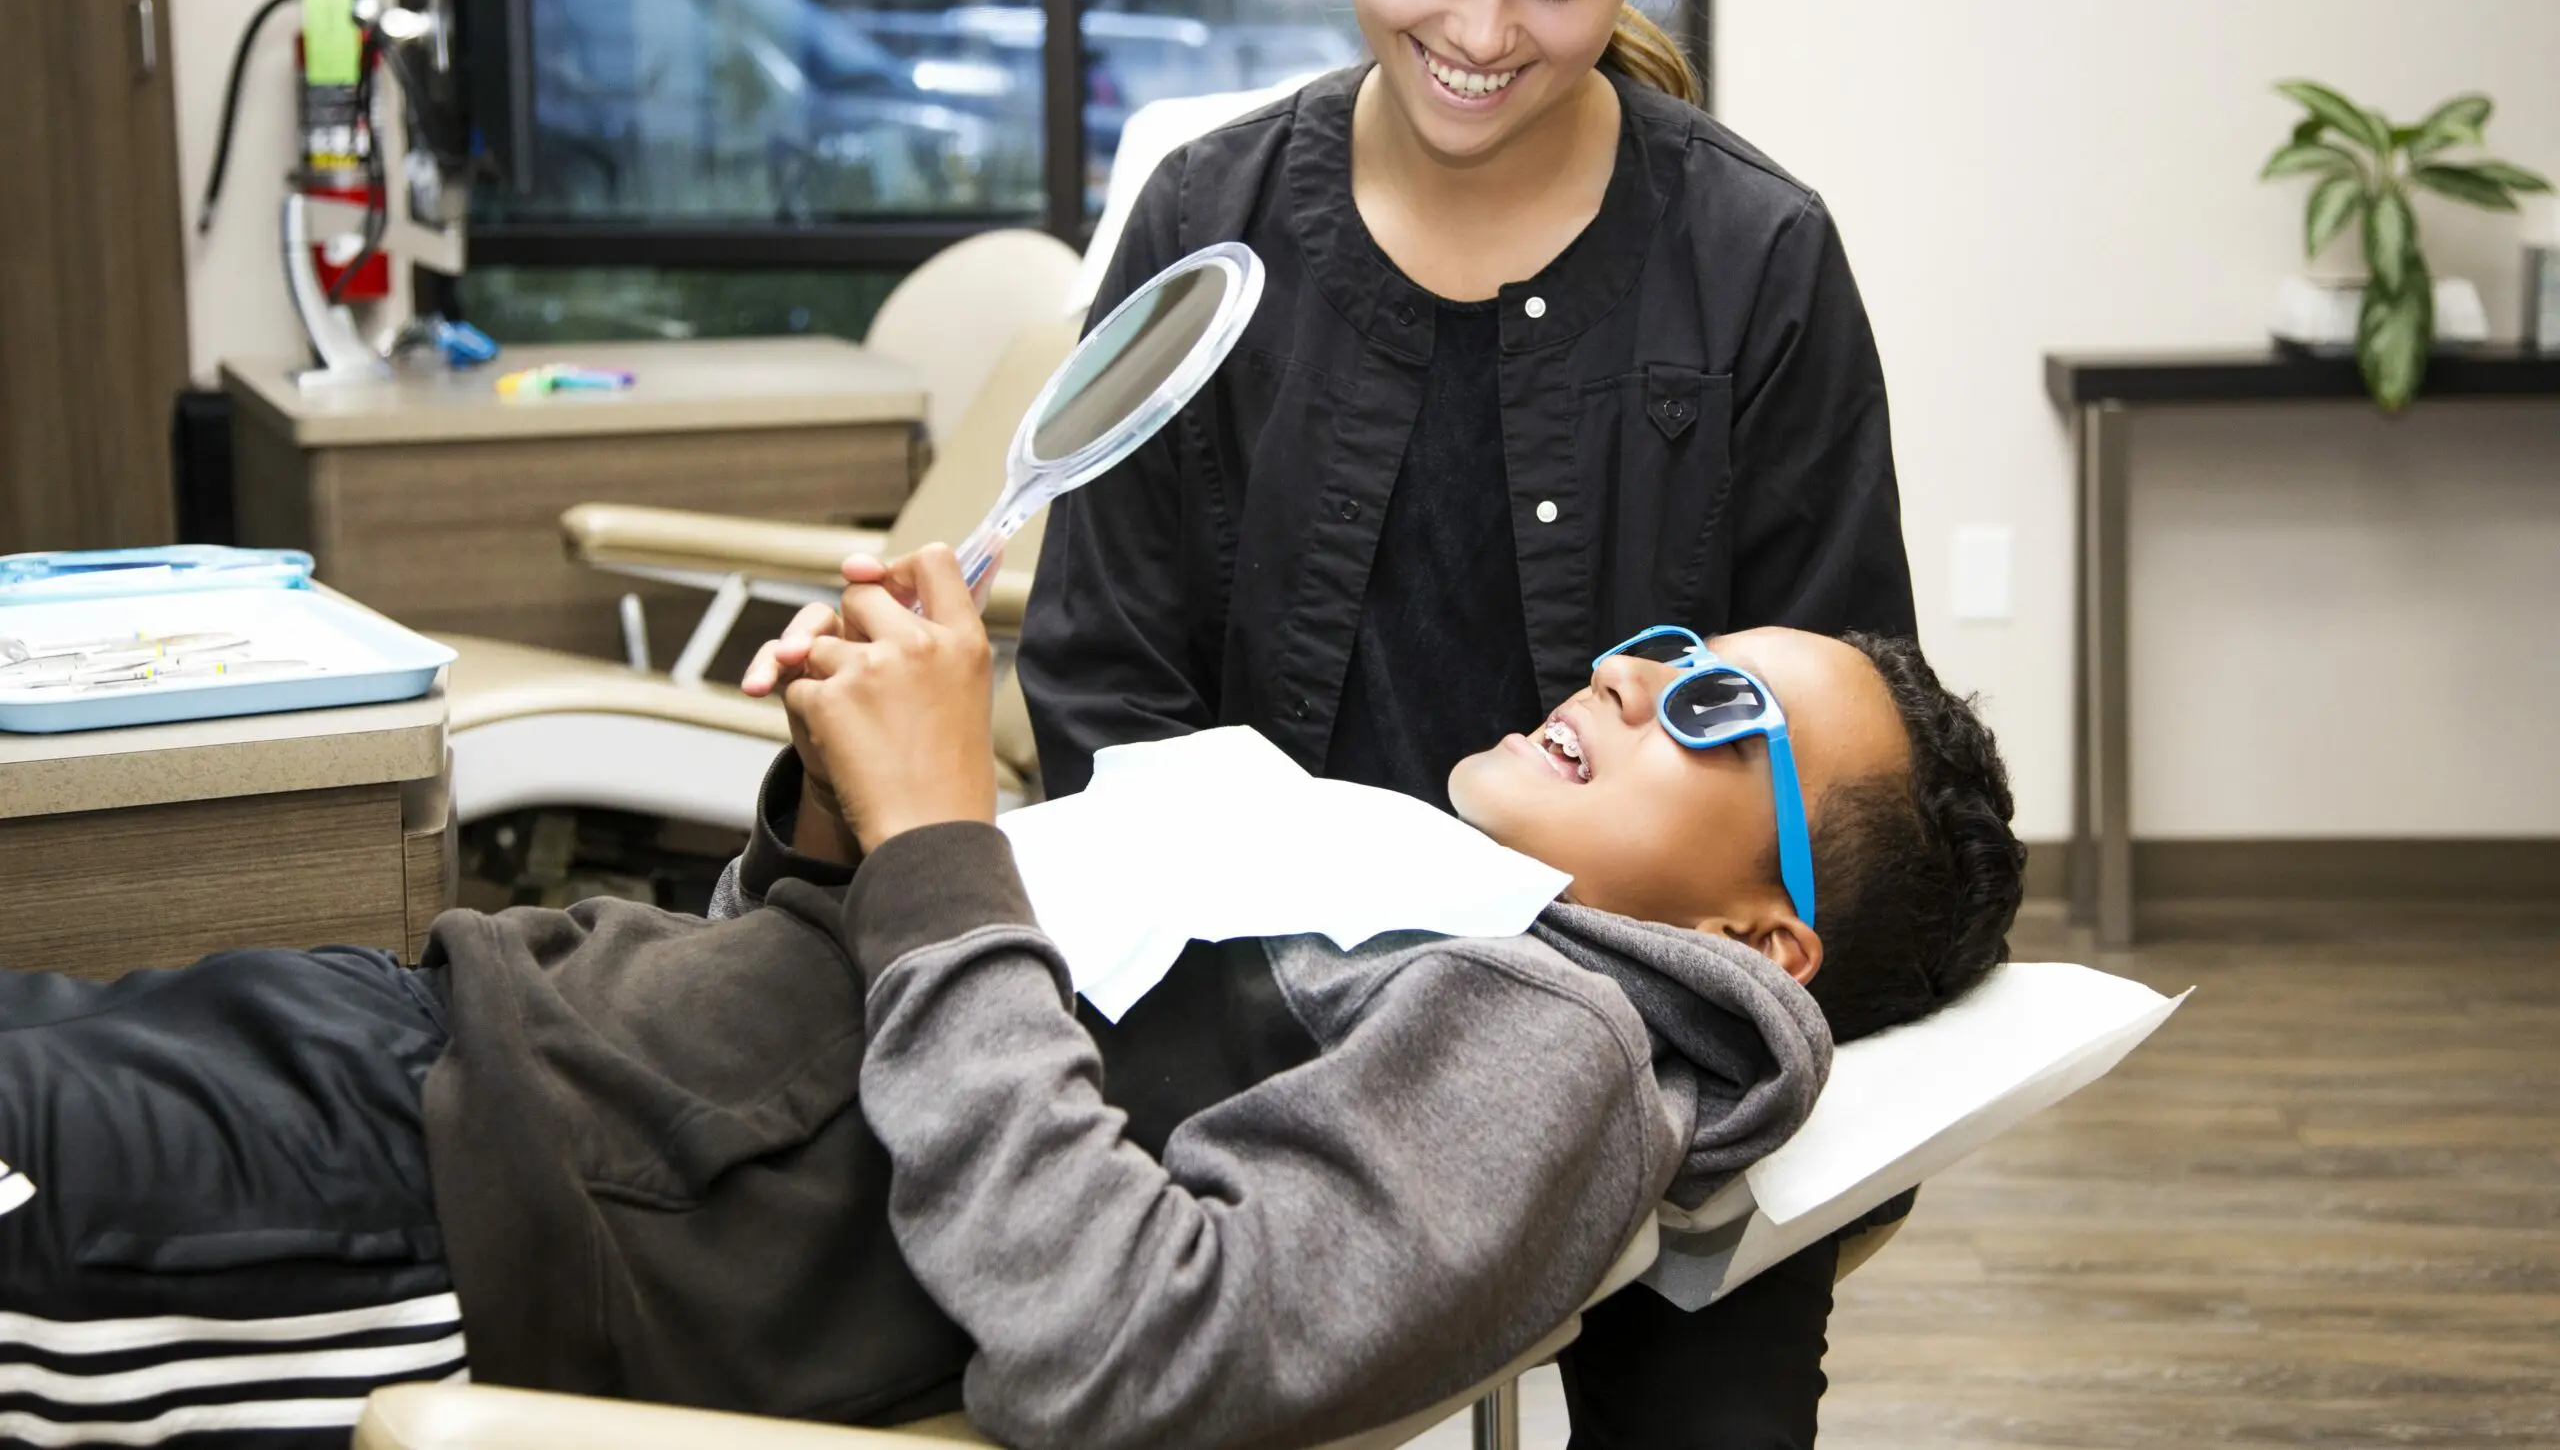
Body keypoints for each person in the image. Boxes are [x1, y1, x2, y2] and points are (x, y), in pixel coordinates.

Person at [0, 547, 2021, 1450]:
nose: (1618, 676)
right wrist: (835, 811)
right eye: (1661, 642)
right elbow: (853, 1018)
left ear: (1765, 941)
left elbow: (1128, 1348)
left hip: (439, 1212)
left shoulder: (1561, 1046)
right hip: (454, 1046)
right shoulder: (1405, 877)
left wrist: (936, 834)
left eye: (1711, 709)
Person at [1018, 0, 1916, 1442]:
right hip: (1256, 1016)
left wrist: (1597, 1053)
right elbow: (1099, 686)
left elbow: (1842, 733)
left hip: (1634, 1056)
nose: (1485, 31)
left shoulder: (1754, 261)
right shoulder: (1211, 228)